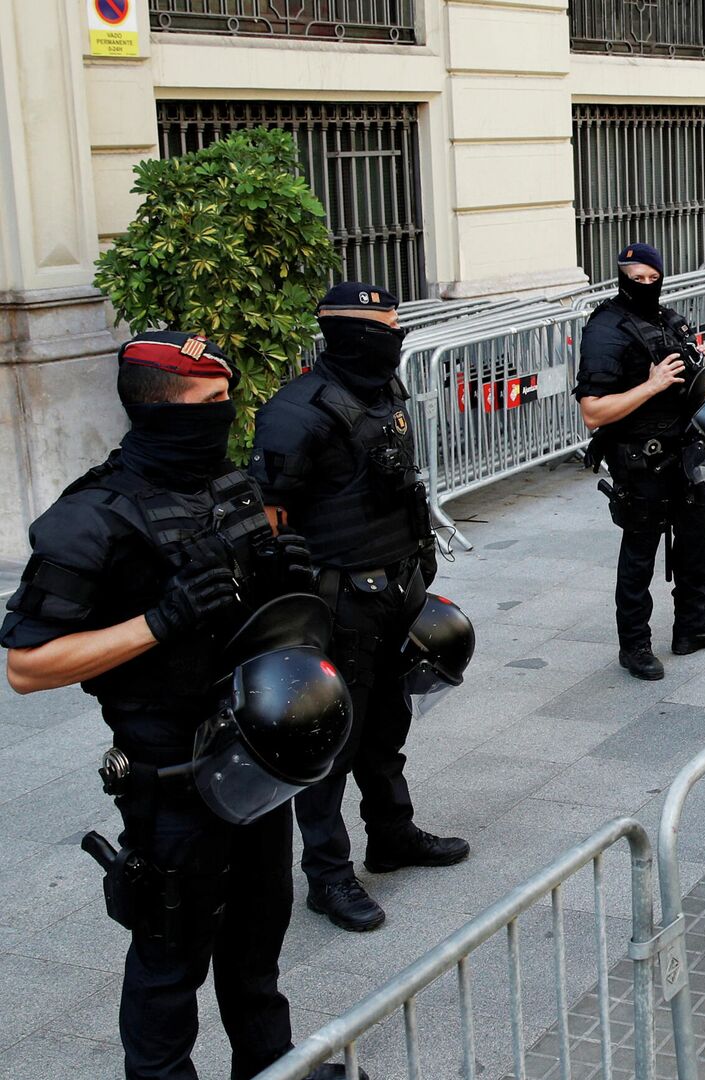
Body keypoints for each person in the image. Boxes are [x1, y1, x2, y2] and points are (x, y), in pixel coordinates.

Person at [3, 331, 354, 1079]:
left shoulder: (226, 486)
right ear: (163, 412)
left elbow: (248, 618)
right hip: (170, 775)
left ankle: (270, 1062)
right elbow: (26, 667)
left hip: (255, 755)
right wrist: (154, 623)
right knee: (171, 956)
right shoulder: (90, 517)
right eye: (213, 404)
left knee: (259, 934)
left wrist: (288, 580)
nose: (227, 417)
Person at [249, 284, 470, 933]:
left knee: (384, 727)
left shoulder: (384, 391)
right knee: (330, 742)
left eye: (396, 326)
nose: (394, 338)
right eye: (383, 329)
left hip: (395, 589)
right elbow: (268, 522)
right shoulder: (297, 412)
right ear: (346, 335)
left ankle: (392, 834)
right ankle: (327, 875)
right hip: (336, 603)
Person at [574, 244, 705, 683]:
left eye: (652, 278)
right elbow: (593, 412)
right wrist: (650, 385)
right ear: (621, 276)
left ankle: (691, 627)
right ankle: (635, 646)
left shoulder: (668, 320)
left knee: (697, 539)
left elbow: (689, 385)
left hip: (681, 452)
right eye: (635, 277)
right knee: (640, 554)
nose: (645, 285)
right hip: (637, 459)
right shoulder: (605, 330)